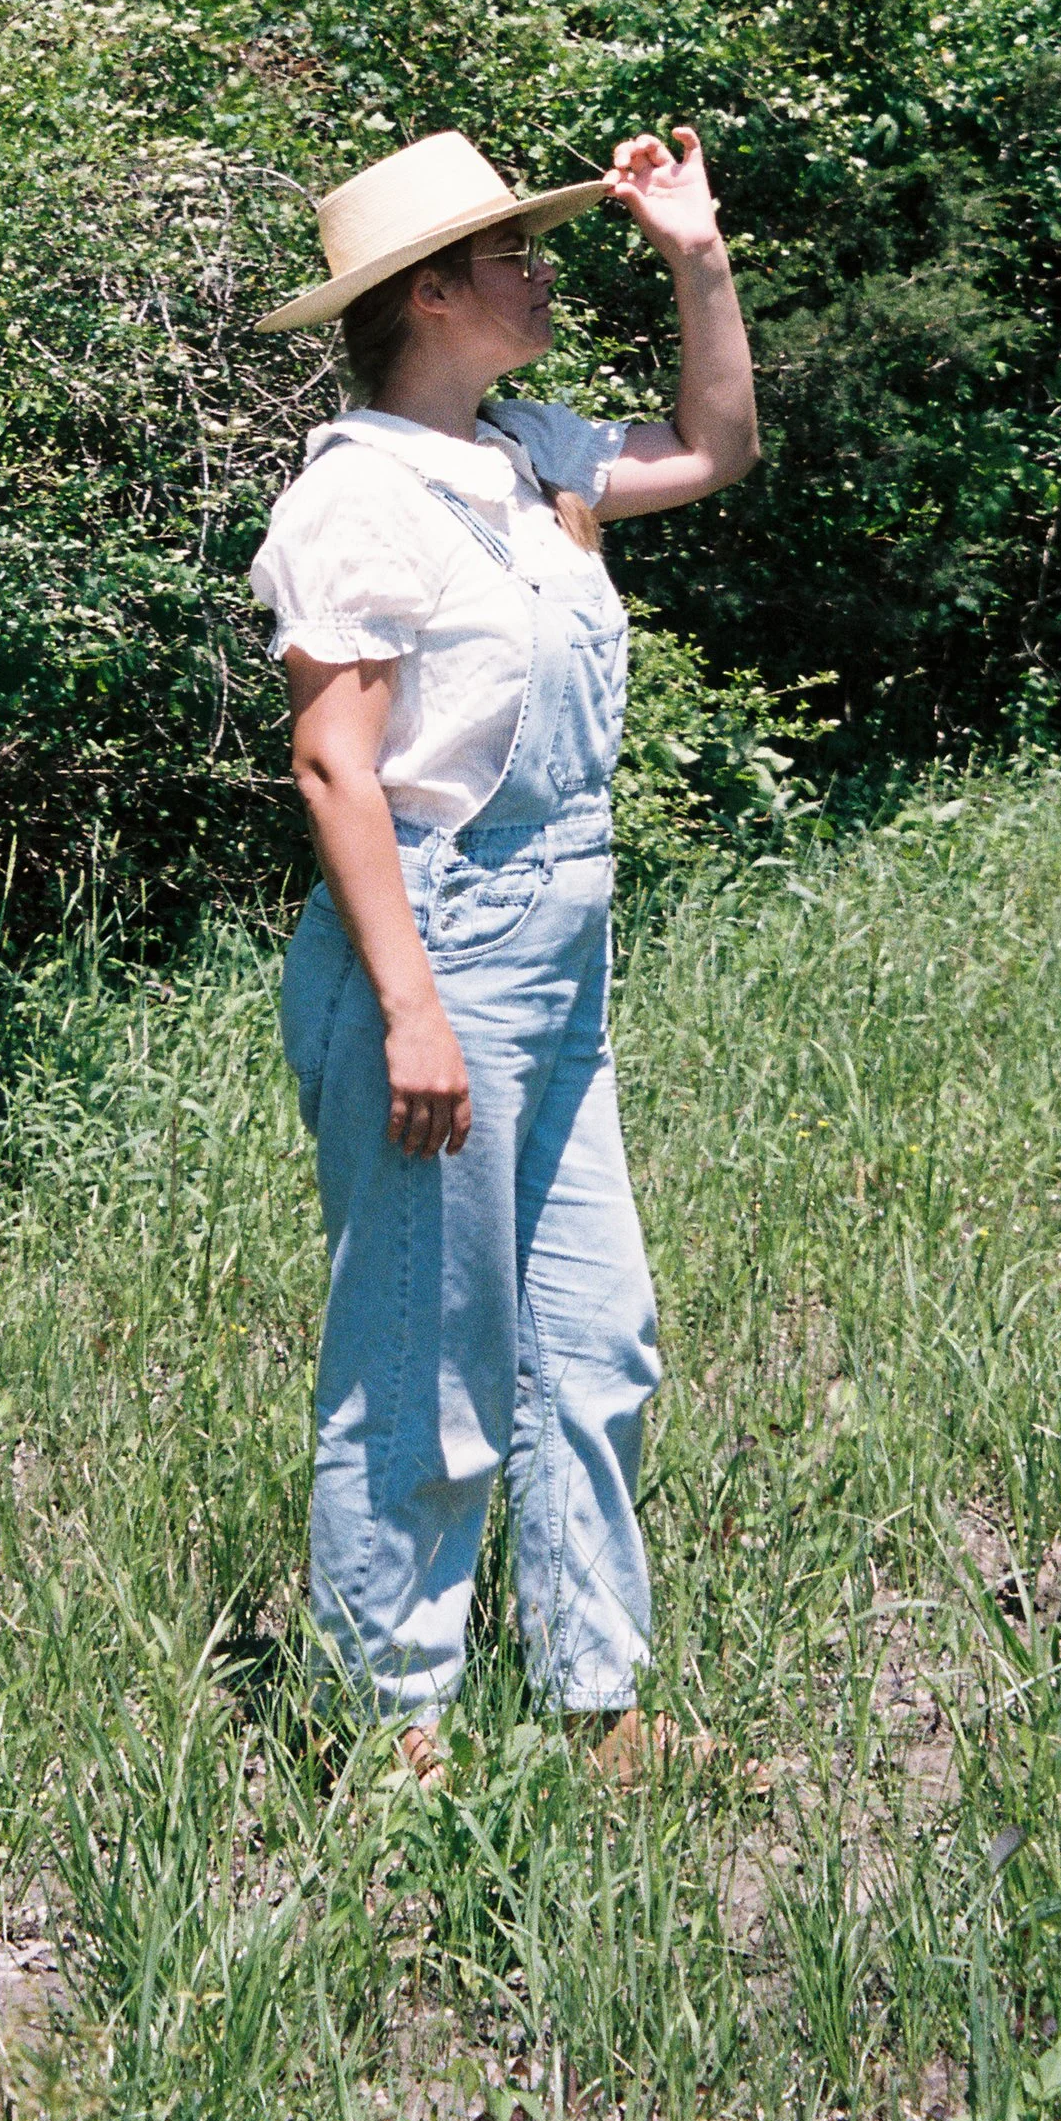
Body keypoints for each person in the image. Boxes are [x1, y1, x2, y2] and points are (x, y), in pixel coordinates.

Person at [250, 124, 758, 1776]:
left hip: (562, 940)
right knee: (427, 1348)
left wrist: (700, 253)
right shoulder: (355, 497)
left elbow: (715, 444)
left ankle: (598, 1703)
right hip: (437, 942)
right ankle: (387, 1732)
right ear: (433, 293)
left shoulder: (532, 451)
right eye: (517, 253)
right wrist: (412, 1009)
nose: (546, 270)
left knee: (595, 1336)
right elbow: (338, 766)